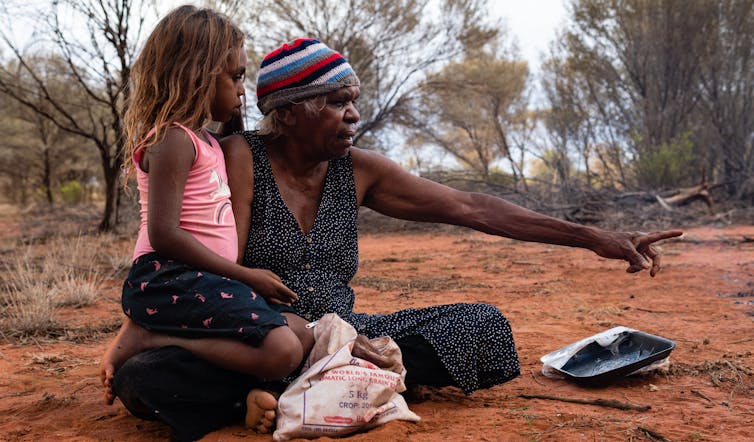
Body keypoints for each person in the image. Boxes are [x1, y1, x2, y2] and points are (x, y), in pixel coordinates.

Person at [110, 38, 683, 440]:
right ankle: (303, 389)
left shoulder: (360, 170)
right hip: (262, 337)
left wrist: (592, 237)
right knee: (145, 381)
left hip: (347, 335)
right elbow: (188, 247)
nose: (353, 114)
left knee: (483, 327)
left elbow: (470, 206)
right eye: (336, 102)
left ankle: (299, 390)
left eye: (352, 100)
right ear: (287, 112)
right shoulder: (238, 157)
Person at [99, 7, 317, 422]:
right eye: (235, 77)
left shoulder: (210, 142)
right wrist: (246, 276)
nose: (241, 90)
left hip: (202, 279)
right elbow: (164, 234)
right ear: (195, 74)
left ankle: (240, 396)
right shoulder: (172, 140)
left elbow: (233, 131)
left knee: (301, 331)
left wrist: (229, 108)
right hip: (167, 275)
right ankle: (150, 334)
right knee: (284, 348)